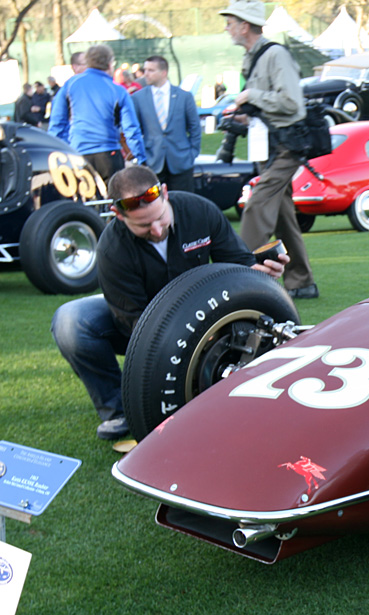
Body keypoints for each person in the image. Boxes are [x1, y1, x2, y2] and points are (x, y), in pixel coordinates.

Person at [50, 166, 287, 440]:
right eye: (143, 226)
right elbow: (133, 323)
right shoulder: (111, 249)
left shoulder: (200, 211)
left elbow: (239, 267)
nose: (157, 228)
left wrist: (263, 272)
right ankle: (119, 410)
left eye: (160, 217)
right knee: (70, 320)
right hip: (147, 324)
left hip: (205, 312)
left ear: (164, 194)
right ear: (118, 215)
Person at [221, 0, 318, 299]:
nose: (226, 27)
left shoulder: (275, 55)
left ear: (245, 26)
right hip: (269, 147)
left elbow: (292, 104)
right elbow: (269, 107)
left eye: (230, 21)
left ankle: (237, 279)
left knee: (256, 205)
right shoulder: (252, 58)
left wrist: (252, 95)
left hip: (287, 146)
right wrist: (244, 114)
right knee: (282, 215)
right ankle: (302, 281)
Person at [48, 44, 147, 183]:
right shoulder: (117, 90)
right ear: (110, 63)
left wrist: (56, 154)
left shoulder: (70, 85)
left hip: (77, 154)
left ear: (87, 62)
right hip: (109, 155)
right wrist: (141, 159)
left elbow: (57, 124)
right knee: (113, 200)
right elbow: (131, 130)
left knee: (83, 202)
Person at [132, 55, 202, 192]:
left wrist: (192, 153)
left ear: (163, 72)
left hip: (181, 162)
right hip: (153, 163)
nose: (145, 73)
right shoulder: (138, 98)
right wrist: (141, 156)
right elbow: (134, 130)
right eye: (145, 69)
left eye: (151, 70)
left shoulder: (184, 97)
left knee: (182, 204)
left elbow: (195, 127)